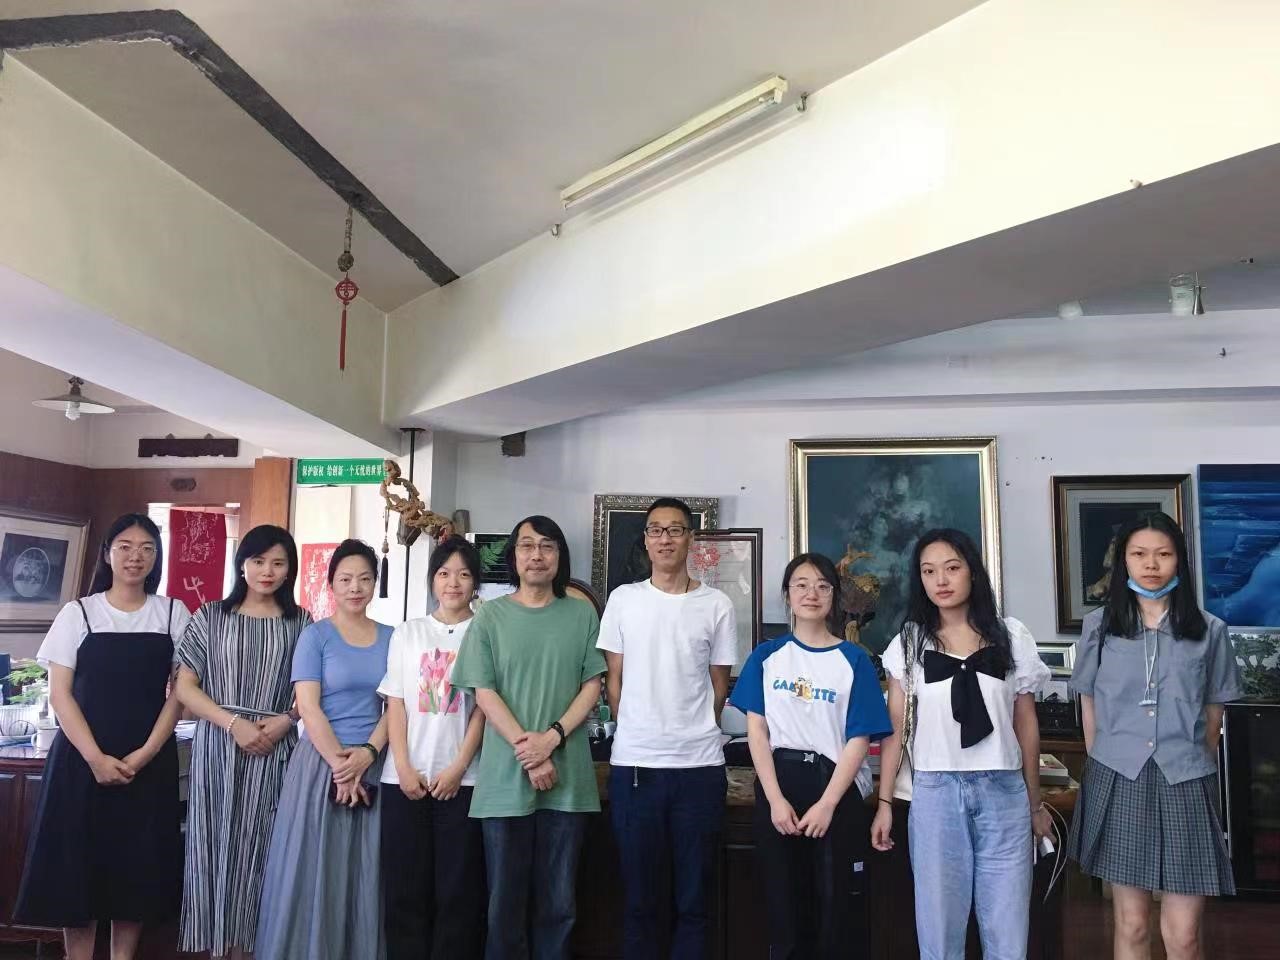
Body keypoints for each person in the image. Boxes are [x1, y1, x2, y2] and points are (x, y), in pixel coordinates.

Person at [1067, 512, 1242, 960]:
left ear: (1179, 560)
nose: (1151, 564)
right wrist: (1104, 760)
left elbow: (1214, 717)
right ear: (1123, 561)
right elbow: (1089, 704)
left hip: (1185, 779)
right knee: (1132, 923)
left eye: (1163, 554)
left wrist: (1189, 760)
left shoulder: (1210, 631)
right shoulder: (1099, 627)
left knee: (1183, 934)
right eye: (1139, 554)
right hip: (1118, 777)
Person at [870, 528, 1051, 960]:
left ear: (972, 571)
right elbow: (895, 728)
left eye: (952, 568)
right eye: (929, 571)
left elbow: (1026, 724)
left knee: (1008, 928)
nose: (941, 580)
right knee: (939, 929)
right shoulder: (910, 643)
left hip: (1004, 792)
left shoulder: (1012, 636)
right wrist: (885, 803)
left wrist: (1034, 802)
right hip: (935, 793)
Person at [14, 514, 189, 960]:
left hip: (147, 761)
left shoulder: (173, 612)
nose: (135, 557)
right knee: (79, 870)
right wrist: (94, 757)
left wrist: (146, 754)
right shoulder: (79, 612)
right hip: (81, 761)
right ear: (108, 554)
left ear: (157, 557)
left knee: (136, 871)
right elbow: (60, 694)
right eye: (125, 547)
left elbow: (181, 693)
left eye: (147, 548)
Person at [451, 515, 607, 960]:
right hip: (504, 780)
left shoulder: (581, 614)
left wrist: (551, 740)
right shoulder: (490, 616)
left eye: (547, 546)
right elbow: (484, 692)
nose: (537, 555)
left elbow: (592, 685)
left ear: (559, 556)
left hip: (568, 781)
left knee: (559, 905)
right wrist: (531, 751)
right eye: (526, 545)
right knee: (504, 905)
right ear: (514, 556)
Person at [730, 552, 892, 959]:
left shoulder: (854, 660)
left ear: (835, 596)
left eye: (822, 586)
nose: (811, 593)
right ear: (787, 594)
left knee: (836, 911)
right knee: (783, 910)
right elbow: (756, 731)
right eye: (801, 585)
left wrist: (827, 805)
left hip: (834, 788)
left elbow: (859, 738)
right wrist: (774, 799)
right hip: (780, 787)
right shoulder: (767, 656)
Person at [597, 497, 736, 960]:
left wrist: (689, 728)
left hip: (699, 769)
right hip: (636, 766)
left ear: (690, 538)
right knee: (641, 900)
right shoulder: (624, 599)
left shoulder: (716, 604)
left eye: (675, 529)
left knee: (694, 901)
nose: (665, 539)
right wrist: (639, 727)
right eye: (656, 530)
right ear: (646, 540)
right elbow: (613, 681)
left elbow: (719, 686)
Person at [175, 524, 313, 959]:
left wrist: (287, 720)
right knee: (214, 847)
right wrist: (233, 724)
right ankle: (218, 949)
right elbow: (185, 687)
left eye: (278, 563)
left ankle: (257, 949)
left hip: (275, 747)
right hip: (218, 745)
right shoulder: (210, 616)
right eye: (258, 561)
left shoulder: (301, 622)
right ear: (241, 564)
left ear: (290, 569)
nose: (267, 571)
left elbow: (311, 691)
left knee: (265, 849)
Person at [255, 539, 392, 960]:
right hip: (320, 766)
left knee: (366, 870)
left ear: (375, 584)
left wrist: (367, 754)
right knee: (314, 869)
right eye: (346, 579)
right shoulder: (316, 636)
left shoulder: (393, 637)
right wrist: (340, 766)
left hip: (374, 764)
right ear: (331, 584)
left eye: (364, 579)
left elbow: (397, 707)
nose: (355, 588)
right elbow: (309, 707)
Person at [379, 536, 487, 960]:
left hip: (464, 781)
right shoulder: (408, 633)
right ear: (432, 580)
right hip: (404, 781)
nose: (453, 583)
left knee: (458, 894)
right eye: (444, 573)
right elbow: (396, 704)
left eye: (463, 574)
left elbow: (483, 709)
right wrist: (403, 767)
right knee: (405, 891)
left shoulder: (485, 631)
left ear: (475, 582)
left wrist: (459, 768)